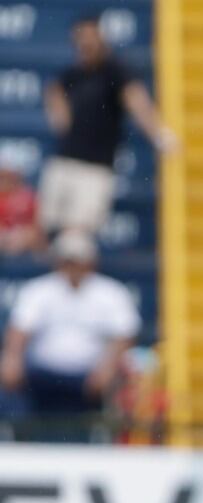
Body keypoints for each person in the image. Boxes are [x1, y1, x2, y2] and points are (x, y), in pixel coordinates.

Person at [40, 14, 177, 236]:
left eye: (90, 36)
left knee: (78, 236)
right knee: (47, 227)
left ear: (101, 37)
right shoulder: (72, 73)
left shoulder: (116, 72)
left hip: (95, 167)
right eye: (80, 38)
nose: (85, 43)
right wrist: (59, 113)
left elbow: (137, 102)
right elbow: (53, 91)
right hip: (64, 161)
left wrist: (159, 134)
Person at [0, 229, 138, 442]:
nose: (72, 266)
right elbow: (19, 330)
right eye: (67, 260)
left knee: (122, 386)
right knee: (9, 381)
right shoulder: (39, 289)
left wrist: (108, 367)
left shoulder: (111, 292)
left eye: (77, 260)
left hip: (90, 374)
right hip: (41, 372)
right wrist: (12, 359)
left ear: (90, 261)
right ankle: (20, 443)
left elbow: (125, 336)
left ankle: (107, 446)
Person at [0, 161, 42, 256]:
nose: (5, 181)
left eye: (10, 178)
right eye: (3, 178)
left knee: (30, 236)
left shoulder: (28, 196)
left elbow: (35, 223)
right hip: (4, 234)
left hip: (21, 233)